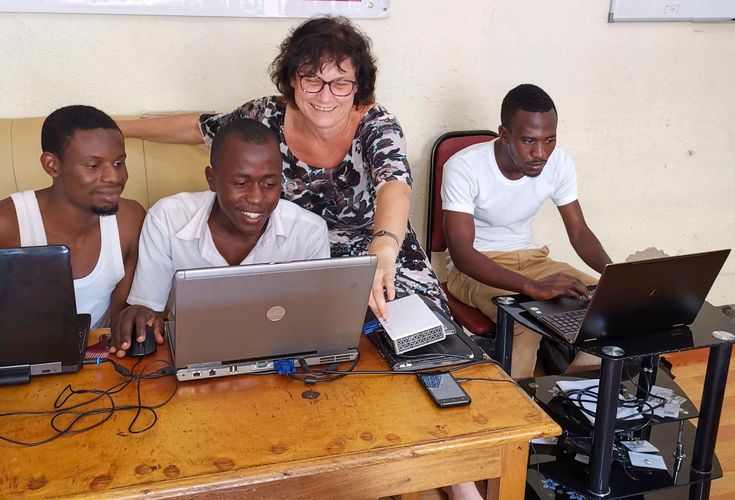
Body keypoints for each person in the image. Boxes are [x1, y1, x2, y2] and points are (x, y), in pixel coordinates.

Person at [116, 16, 447, 320]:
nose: (325, 96)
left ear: (358, 85)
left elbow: (395, 185)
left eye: (341, 83)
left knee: (422, 329)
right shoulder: (266, 116)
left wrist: (385, 247)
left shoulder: (377, 125)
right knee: (335, 340)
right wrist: (113, 127)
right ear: (292, 78)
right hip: (299, 256)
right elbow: (199, 128)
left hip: (376, 246)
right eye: (312, 80)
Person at [109, 118, 330, 356]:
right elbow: (147, 307)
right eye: (241, 183)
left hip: (279, 356)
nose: (256, 198)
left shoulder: (309, 232)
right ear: (211, 179)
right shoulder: (167, 219)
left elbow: (313, 321)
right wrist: (142, 317)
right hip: (193, 355)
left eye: (270, 183)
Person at [442, 84, 612, 380]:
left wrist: (615, 275)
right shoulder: (465, 166)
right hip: (476, 267)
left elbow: (579, 231)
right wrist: (530, 287)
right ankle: (516, 418)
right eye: (529, 141)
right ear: (504, 134)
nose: (540, 153)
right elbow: (462, 252)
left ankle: (569, 401)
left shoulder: (559, 162)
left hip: (534, 259)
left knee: (610, 311)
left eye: (549, 140)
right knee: (526, 325)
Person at [0, 105, 145, 329]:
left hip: (97, 356)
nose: (114, 177)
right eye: (93, 166)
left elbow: (118, 323)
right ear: (52, 165)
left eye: (119, 163)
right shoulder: (8, 224)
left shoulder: (130, 220)